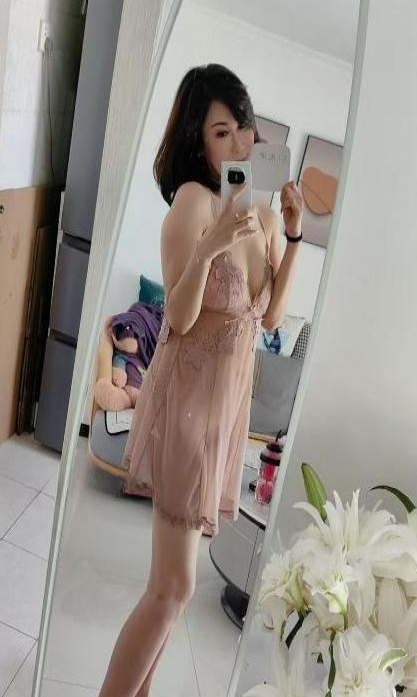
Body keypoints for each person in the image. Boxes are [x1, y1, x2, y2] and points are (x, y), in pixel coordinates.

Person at [98, 63, 302, 697]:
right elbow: (180, 319)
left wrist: (293, 236)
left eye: (242, 126)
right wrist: (211, 245)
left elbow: (271, 317)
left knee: (171, 592)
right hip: (185, 403)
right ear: (199, 141)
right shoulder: (194, 201)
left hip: (224, 416)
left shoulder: (262, 216)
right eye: (220, 132)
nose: (238, 142)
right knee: (175, 588)